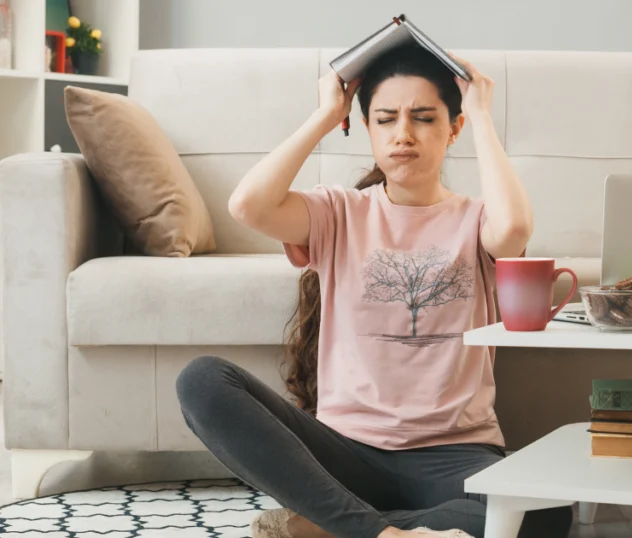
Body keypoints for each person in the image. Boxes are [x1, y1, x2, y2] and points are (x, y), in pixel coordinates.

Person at [175, 44, 574, 538]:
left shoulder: (476, 220)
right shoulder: (339, 212)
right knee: (202, 380)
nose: (403, 134)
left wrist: (482, 115)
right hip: (347, 454)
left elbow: (513, 229)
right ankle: (381, 534)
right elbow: (248, 205)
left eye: (424, 118)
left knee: (547, 514)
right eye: (385, 119)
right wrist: (326, 114)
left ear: (453, 128)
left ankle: (331, 527)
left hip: (456, 457)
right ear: (368, 129)